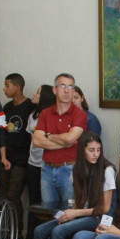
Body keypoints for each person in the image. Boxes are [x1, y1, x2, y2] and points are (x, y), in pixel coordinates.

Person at [12, 132, 116, 239]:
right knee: (40, 230)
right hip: (82, 212)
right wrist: (68, 214)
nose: (96, 154)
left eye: (98, 150)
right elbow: (78, 202)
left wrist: (75, 213)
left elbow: (105, 208)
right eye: (91, 150)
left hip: (100, 218)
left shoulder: (107, 170)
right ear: (82, 151)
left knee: (59, 232)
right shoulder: (77, 169)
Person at [32, 73, 87, 209]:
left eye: (70, 87)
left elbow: (70, 138)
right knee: (49, 213)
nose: (67, 90)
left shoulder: (79, 114)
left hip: (69, 170)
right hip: (47, 169)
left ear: (74, 91)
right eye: (63, 86)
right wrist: (64, 142)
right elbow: (37, 141)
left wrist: (48, 135)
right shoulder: (45, 113)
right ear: (55, 90)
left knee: (70, 212)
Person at [17, 85, 57, 239]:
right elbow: (30, 140)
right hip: (32, 163)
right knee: (33, 202)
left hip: (47, 166)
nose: (34, 94)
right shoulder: (33, 116)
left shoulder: (53, 117)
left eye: (38, 92)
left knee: (45, 203)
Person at [0, 73, 34, 239]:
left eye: (7, 85)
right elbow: (3, 134)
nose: (4, 89)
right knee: (4, 195)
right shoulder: (6, 108)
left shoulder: (29, 106)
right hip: (7, 158)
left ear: (17, 87)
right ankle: (6, 231)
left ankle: (17, 234)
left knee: (14, 196)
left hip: (23, 159)